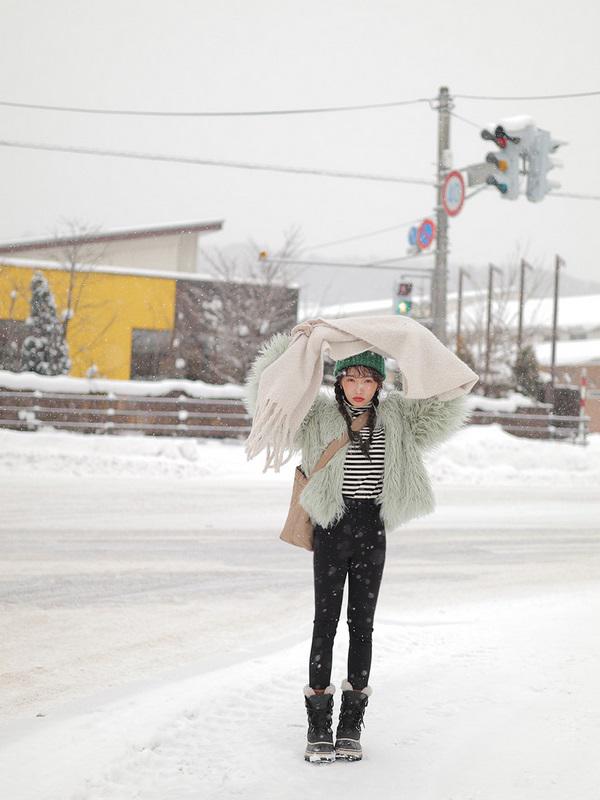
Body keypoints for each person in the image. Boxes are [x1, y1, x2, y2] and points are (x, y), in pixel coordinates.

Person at [243, 331, 472, 764]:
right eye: (351, 379)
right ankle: (317, 725)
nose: (360, 388)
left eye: (369, 380)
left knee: (362, 624)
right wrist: (296, 347)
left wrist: (417, 346)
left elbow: (447, 405)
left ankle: (350, 725)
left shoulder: (400, 418)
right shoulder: (316, 418)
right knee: (324, 623)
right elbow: (266, 393)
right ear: (339, 382)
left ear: (380, 384)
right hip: (332, 526)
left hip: (372, 528)